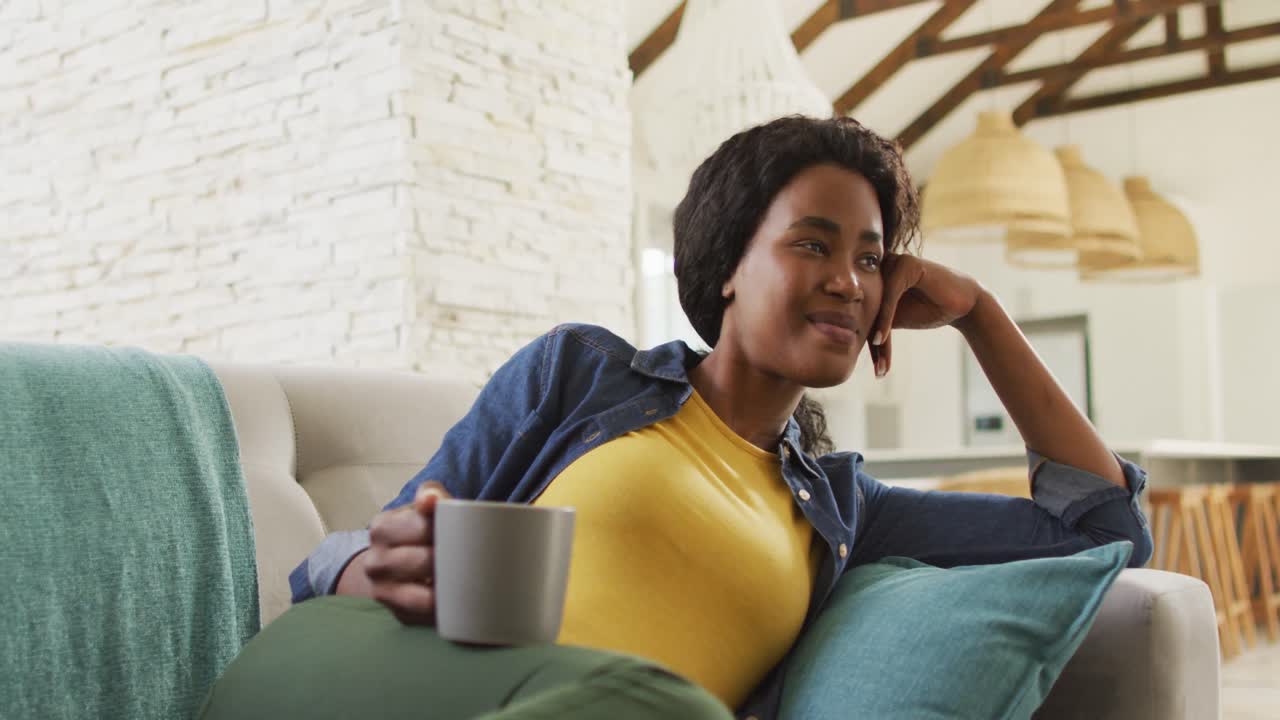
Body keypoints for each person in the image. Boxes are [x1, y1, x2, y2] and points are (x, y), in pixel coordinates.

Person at [214, 115, 1153, 720]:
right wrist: (365, 567)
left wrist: (980, 316)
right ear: (728, 267)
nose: (848, 280)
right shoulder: (579, 375)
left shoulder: (843, 510)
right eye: (812, 244)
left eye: (871, 260)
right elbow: (347, 563)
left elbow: (1101, 528)